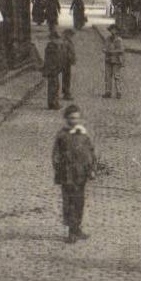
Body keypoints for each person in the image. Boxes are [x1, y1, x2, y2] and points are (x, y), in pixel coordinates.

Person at [52, 103, 95, 241]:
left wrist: (92, 169)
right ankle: (71, 231)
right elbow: (56, 155)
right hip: (67, 175)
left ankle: (77, 228)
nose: (74, 121)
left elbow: (91, 153)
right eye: (71, 118)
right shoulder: (62, 135)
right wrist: (59, 170)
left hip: (81, 174)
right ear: (66, 119)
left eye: (76, 118)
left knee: (79, 201)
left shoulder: (83, 135)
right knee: (69, 201)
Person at [42, 30, 64, 109]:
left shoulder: (54, 47)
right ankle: (53, 103)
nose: (58, 40)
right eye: (57, 39)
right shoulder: (51, 48)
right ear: (52, 39)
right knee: (53, 86)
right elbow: (52, 61)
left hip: (54, 70)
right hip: (52, 70)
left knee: (55, 86)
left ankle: (53, 102)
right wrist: (54, 69)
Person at [103, 26, 125, 98]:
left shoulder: (119, 40)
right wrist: (105, 50)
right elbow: (105, 47)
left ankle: (119, 92)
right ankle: (108, 91)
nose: (113, 32)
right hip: (108, 59)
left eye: (114, 30)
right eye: (111, 30)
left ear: (117, 31)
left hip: (116, 60)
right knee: (107, 76)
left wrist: (112, 51)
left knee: (116, 76)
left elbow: (121, 50)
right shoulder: (108, 39)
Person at [60, 29, 76, 100]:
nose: (71, 37)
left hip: (67, 62)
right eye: (70, 35)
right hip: (66, 62)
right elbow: (65, 53)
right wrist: (71, 59)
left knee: (66, 77)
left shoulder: (68, 42)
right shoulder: (66, 43)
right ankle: (66, 93)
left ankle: (66, 91)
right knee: (66, 77)